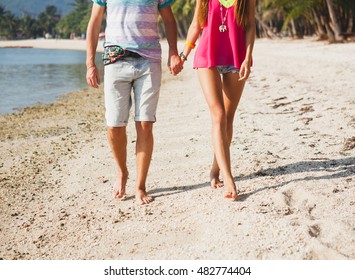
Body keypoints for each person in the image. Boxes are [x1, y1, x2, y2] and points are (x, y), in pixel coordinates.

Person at [86, 0, 183, 205]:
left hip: (148, 60)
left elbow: (169, 19)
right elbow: (94, 22)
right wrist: (90, 64)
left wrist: (173, 51)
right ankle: (122, 172)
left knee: (145, 124)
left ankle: (140, 186)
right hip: (114, 60)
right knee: (114, 126)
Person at [180, 0, 256, 200]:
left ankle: (215, 169)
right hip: (208, 56)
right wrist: (183, 55)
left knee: (228, 119)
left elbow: (250, 26)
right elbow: (197, 24)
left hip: (236, 58)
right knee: (218, 115)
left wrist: (247, 58)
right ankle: (228, 177)